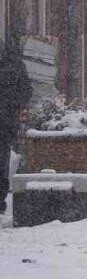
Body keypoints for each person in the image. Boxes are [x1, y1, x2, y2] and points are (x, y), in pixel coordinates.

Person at [0, 39, 33, 214]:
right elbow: (27, 91)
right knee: (2, 160)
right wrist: (14, 105)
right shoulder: (16, 66)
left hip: (5, 121)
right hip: (6, 122)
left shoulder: (13, 67)